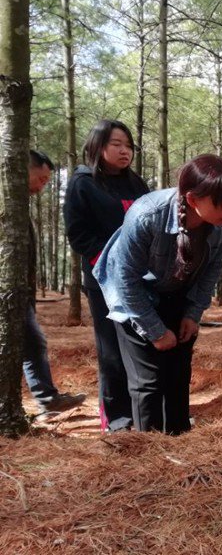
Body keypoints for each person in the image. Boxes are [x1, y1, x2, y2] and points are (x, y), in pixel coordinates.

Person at [93, 155, 222, 435]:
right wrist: (155, 331)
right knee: (147, 380)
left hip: (178, 291)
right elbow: (125, 279)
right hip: (132, 296)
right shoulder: (147, 214)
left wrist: (192, 313)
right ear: (193, 199)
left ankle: (178, 441)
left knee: (177, 374)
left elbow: (212, 269)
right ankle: (148, 451)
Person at [64, 120, 150, 432]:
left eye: (128, 145)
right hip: (104, 280)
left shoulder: (135, 183)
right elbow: (78, 235)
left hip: (141, 276)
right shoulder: (82, 183)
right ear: (99, 146)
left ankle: (144, 411)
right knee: (112, 348)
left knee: (141, 341)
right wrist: (110, 262)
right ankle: (117, 420)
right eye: (117, 144)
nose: (125, 150)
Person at [24, 150, 86, 414]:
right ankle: (46, 400)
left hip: (20, 293)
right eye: (42, 178)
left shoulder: (16, 205)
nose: (43, 186)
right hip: (7, 293)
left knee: (31, 343)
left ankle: (47, 400)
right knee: (31, 341)